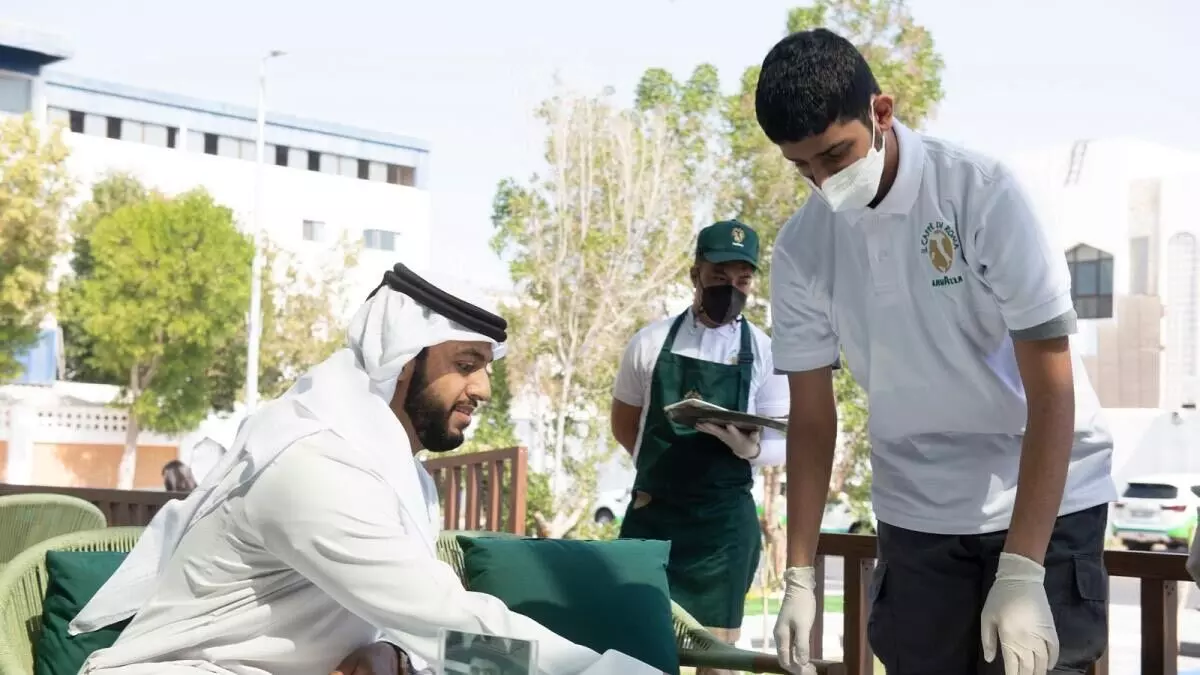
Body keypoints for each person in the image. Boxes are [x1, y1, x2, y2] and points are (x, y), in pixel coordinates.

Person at [69, 264, 660, 675]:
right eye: (466, 364)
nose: (483, 388)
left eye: (486, 368)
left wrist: (396, 657)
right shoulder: (314, 468)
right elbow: (448, 620)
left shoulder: (400, 475)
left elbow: (428, 633)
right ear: (402, 361)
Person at [756, 29, 1116, 675]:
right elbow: (811, 418)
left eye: (836, 155)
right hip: (916, 509)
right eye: (803, 167)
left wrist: (1023, 568)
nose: (824, 182)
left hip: (1042, 497)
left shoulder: (981, 193)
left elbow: (1053, 390)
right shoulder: (801, 247)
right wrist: (800, 576)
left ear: (881, 112)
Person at [611, 220, 790, 672]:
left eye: (742, 280)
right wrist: (666, 471)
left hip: (723, 529)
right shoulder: (649, 342)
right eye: (718, 277)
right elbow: (624, 425)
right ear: (695, 274)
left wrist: (749, 450)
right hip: (654, 515)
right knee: (638, 652)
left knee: (718, 659)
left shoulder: (765, 352)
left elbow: (783, 441)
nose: (731, 289)